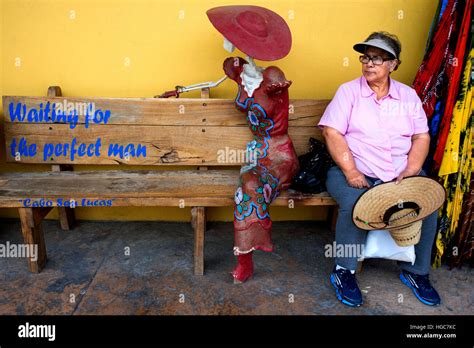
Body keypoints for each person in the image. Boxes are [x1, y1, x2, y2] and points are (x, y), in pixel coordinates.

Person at [318, 31, 441, 307]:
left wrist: (412, 169)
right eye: (366, 57)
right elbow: (332, 133)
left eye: (377, 58)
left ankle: (417, 272)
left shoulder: (408, 96)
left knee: (429, 203)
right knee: (354, 204)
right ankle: (344, 270)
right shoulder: (348, 92)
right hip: (352, 170)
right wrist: (351, 172)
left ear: (393, 64)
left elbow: (421, 137)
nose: (369, 63)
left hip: (398, 172)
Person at [207, 6, 300, 283]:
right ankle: (244, 257)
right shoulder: (240, 72)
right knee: (246, 184)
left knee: (249, 186)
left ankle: (245, 257)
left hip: (280, 154)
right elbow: (227, 67)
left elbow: (278, 93)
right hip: (255, 151)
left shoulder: (272, 76)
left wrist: (278, 90)